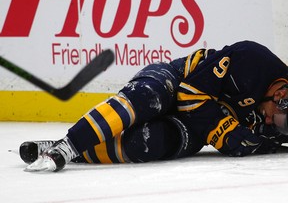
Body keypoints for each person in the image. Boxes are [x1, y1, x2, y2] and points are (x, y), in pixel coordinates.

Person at [19, 40, 288, 172]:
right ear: (280, 94)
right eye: (277, 118)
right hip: (178, 81)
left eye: (280, 128)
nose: (270, 125)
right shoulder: (252, 59)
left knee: (146, 143)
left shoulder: (278, 123)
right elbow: (189, 95)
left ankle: (65, 147)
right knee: (146, 97)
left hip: (198, 125)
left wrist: (229, 137)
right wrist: (226, 133)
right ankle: (67, 147)